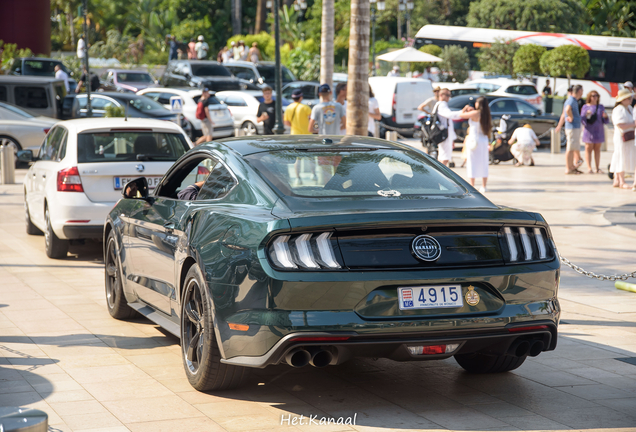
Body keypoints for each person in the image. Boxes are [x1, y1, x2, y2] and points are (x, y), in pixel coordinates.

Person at [458, 96, 492, 193]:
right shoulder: (487, 114)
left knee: (472, 163)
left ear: (479, 103)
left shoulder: (476, 113)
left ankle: (472, 185)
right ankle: (484, 186)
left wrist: (465, 108)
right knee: (484, 163)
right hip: (483, 140)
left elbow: (461, 115)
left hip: (474, 141)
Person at [609, 89, 636, 189]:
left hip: (628, 137)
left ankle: (617, 179)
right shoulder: (619, 109)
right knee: (620, 156)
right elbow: (620, 124)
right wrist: (633, 124)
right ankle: (621, 181)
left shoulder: (628, 107)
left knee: (621, 156)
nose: (630, 100)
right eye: (628, 98)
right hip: (621, 137)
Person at [556, 84, 584, 174]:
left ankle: (571, 166)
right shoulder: (571, 100)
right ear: (579, 91)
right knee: (570, 148)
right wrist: (571, 117)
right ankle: (568, 168)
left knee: (572, 147)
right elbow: (567, 110)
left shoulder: (573, 100)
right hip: (572, 127)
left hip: (574, 127)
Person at [581, 90, 609, 174]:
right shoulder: (585, 107)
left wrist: (606, 116)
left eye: (596, 95)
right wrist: (586, 115)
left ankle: (597, 168)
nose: (595, 97)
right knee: (588, 148)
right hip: (589, 130)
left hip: (599, 130)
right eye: (593, 96)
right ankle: (589, 168)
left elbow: (606, 120)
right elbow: (582, 119)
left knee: (597, 149)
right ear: (589, 97)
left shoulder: (601, 107)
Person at [432, 88, 461, 166]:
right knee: (445, 157)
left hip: (441, 134)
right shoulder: (442, 104)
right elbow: (450, 115)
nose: (449, 97)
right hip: (444, 134)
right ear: (441, 95)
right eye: (447, 95)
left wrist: (452, 138)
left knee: (442, 156)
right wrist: (462, 112)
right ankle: (441, 177)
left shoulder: (438, 104)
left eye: (449, 95)